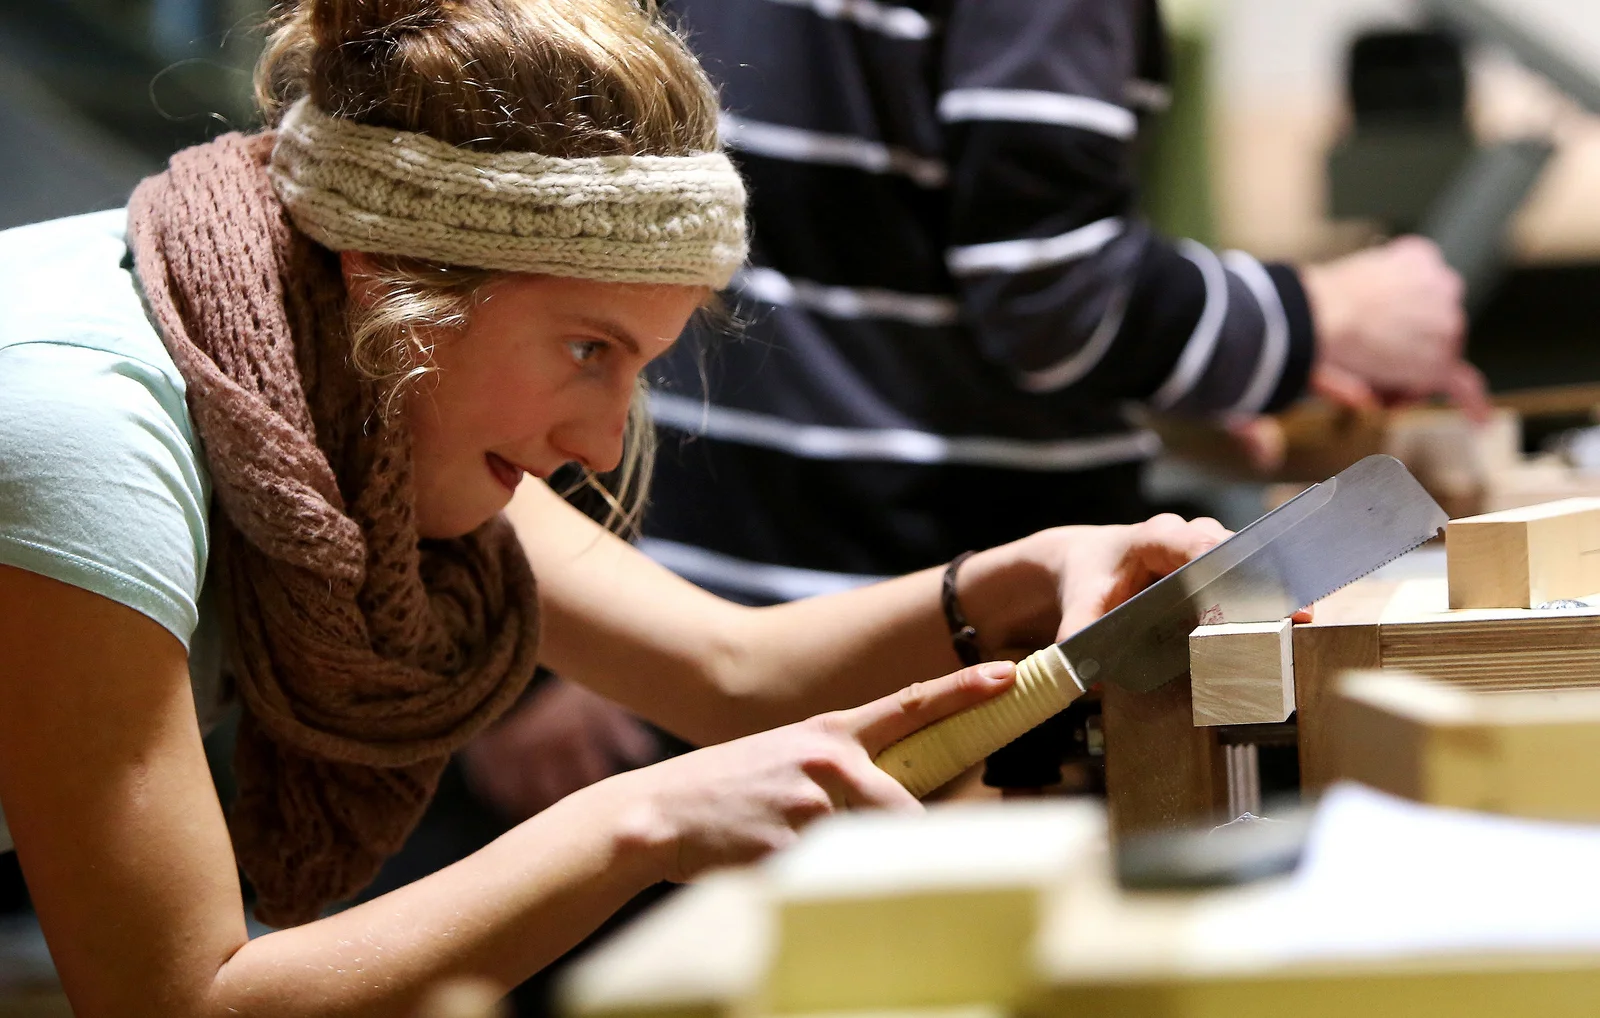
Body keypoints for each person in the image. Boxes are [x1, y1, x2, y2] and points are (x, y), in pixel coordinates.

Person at [0, 1, 1230, 1014]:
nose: (598, 440)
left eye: (635, 364)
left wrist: (1031, 573)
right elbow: (179, 1001)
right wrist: (643, 819)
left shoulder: (333, 360)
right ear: (392, 274)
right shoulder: (79, 425)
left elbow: (729, 667)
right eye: (588, 348)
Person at [635, 0, 1485, 607]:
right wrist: (1322, 312)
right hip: (931, 627)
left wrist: (1200, 368)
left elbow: (872, 241)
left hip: (712, 594)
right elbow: (1051, 291)